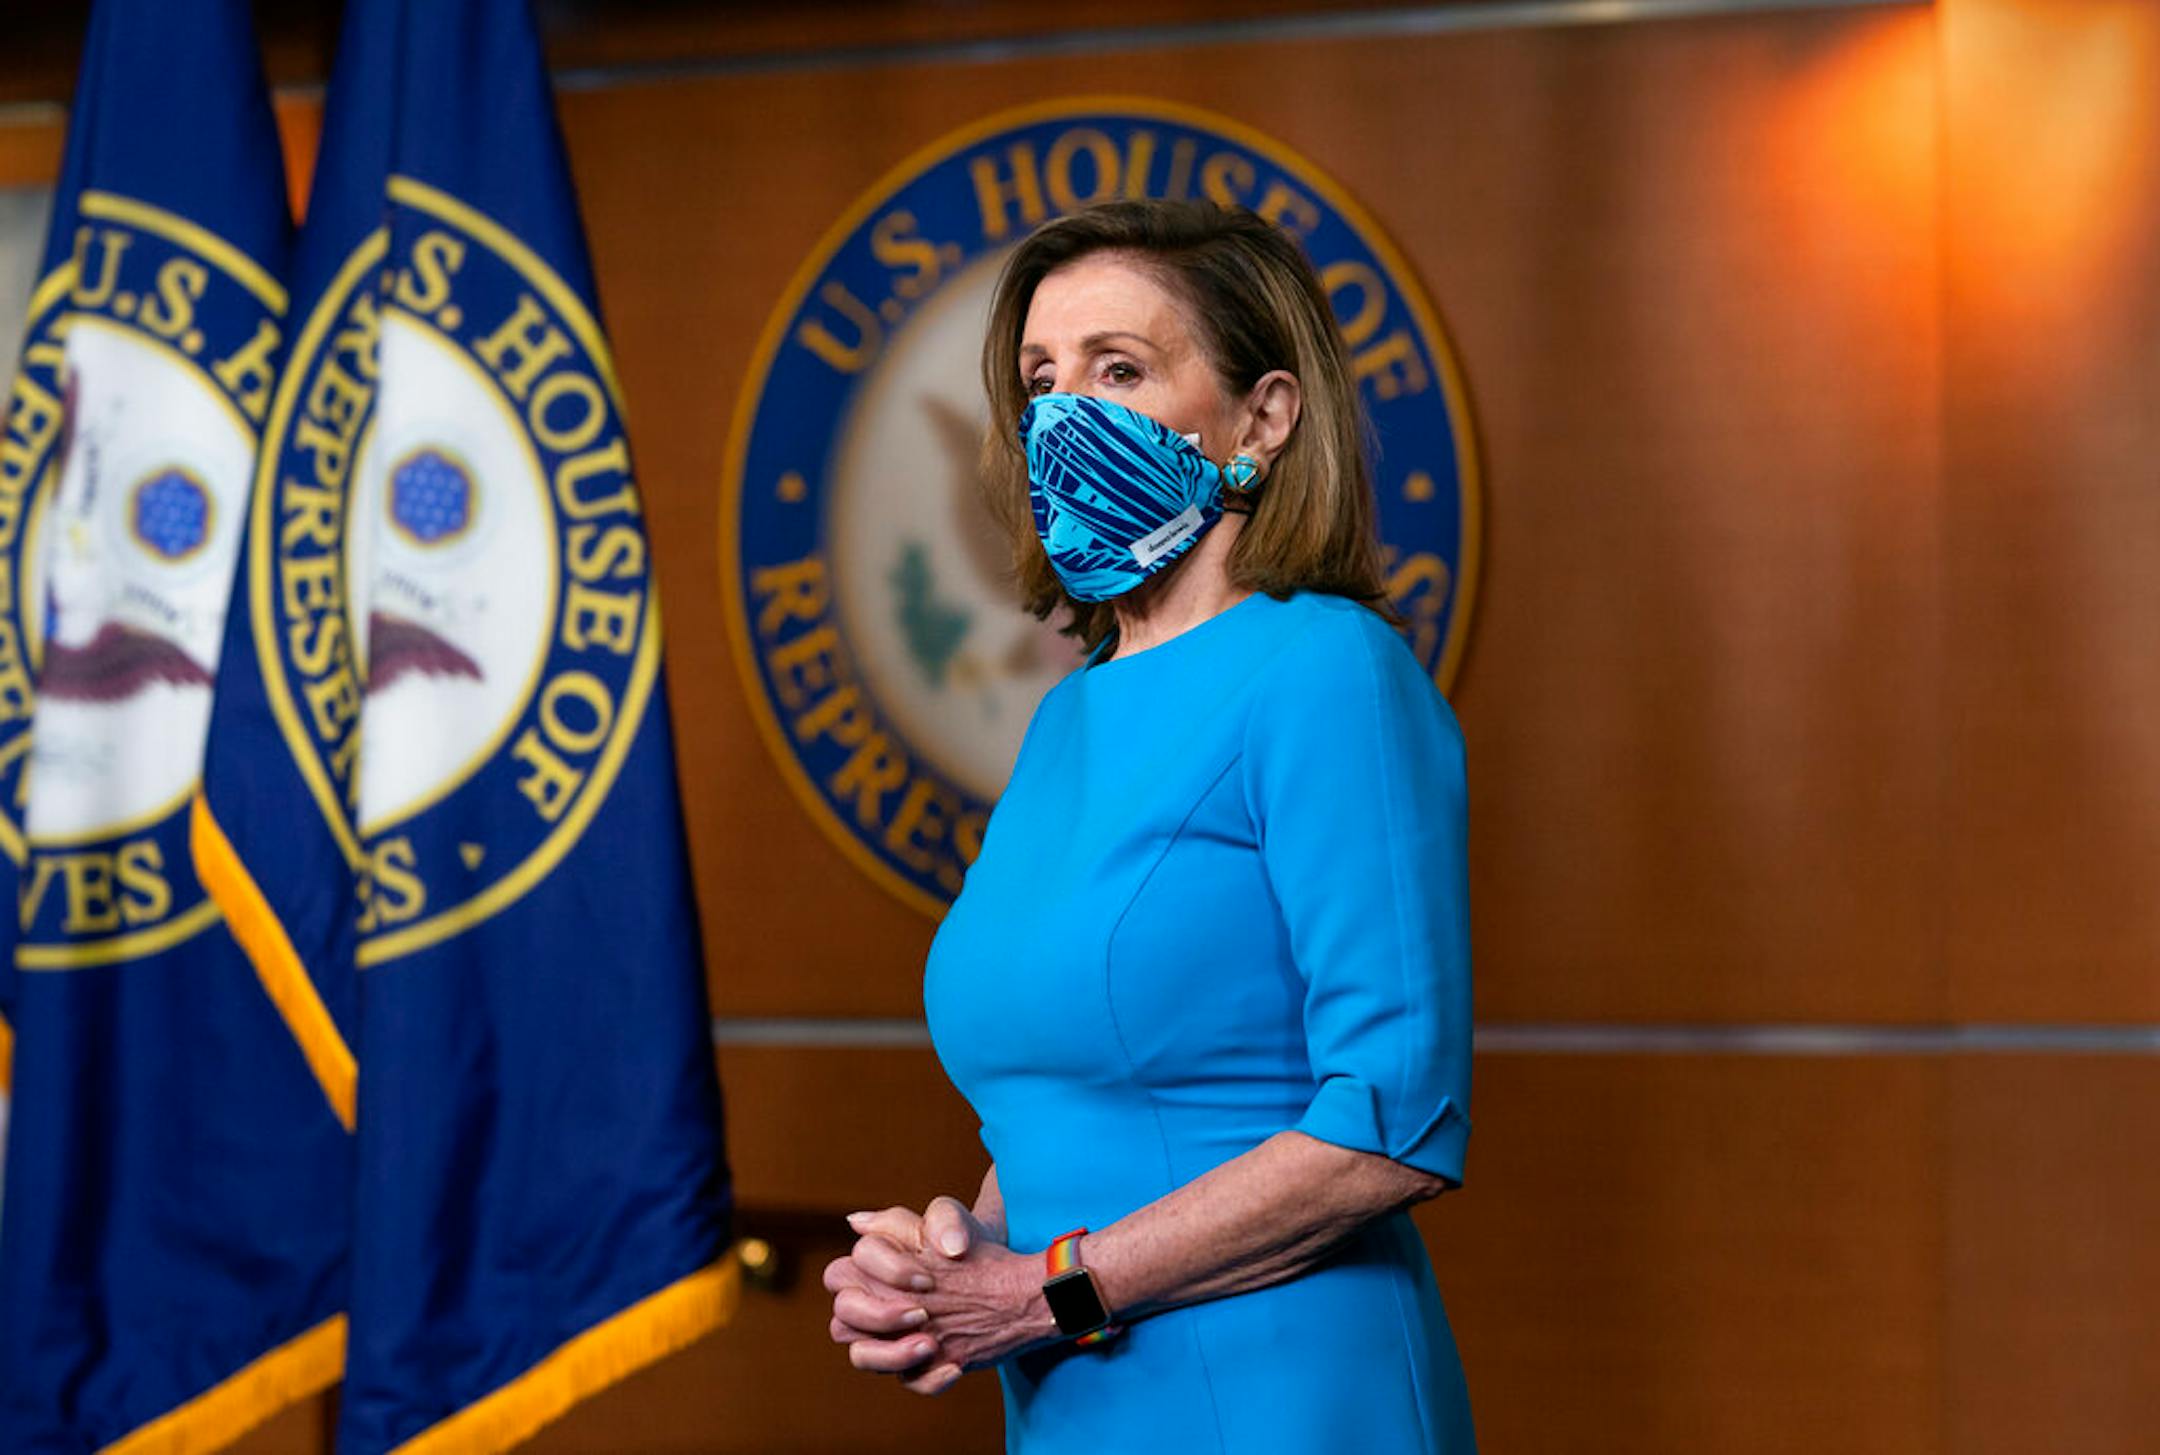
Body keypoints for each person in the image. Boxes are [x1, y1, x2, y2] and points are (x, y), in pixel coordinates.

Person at [823, 198, 1476, 1453]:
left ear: (1263, 417)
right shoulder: (1068, 722)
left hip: (1285, 1397)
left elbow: (1394, 1120)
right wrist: (947, 1262)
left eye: (1118, 368)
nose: (1063, 414)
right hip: (1072, 1398)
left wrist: (1044, 1291)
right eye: (1039, 380)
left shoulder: (1324, 670)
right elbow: (1079, 1093)